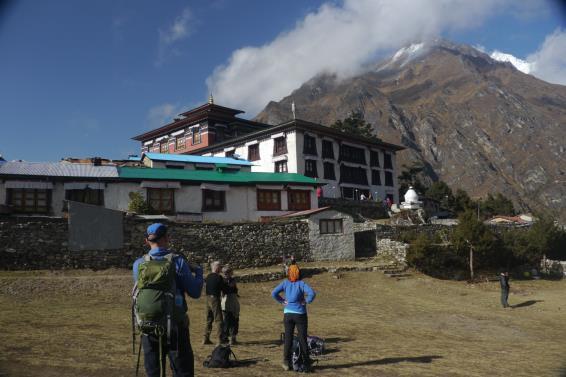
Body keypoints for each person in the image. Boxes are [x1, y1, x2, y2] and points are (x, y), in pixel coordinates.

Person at [132, 223, 203, 377]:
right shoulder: (178, 262)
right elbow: (195, 292)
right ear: (167, 238)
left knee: (153, 372)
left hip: (148, 325)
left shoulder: (138, 264)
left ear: (147, 241)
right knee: (182, 371)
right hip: (175, 326)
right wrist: (199, 273)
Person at [271, 264, 316, 372]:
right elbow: (312, 293)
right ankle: (306, 362)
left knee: (288, 338)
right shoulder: (301, 283)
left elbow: (274, 293)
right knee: (302, 338)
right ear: (298, 273)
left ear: (288, 273)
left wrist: (282, 301)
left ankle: (286, 362)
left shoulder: (285, 283)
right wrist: (306, 301)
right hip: (300, 314)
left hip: (288, 314)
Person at [204, 261, 228, 345]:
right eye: (220, 267)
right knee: (218, 320)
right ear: (217, 268)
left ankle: (205, 338)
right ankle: (220, 339)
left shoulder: (208, 277)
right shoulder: (219, 277)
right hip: (215, 299)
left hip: (207, 298)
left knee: (208, 319)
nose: (221, 269)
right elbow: (224, 289)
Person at [221, 265, 240, 345]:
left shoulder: (232, 280)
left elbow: (235, 290)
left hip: (233, 302)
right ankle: (226, 338)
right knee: (227, 321)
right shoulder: (223, 281)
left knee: (234, 320)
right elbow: (223, 292)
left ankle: (233, 337)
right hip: (227, 302)